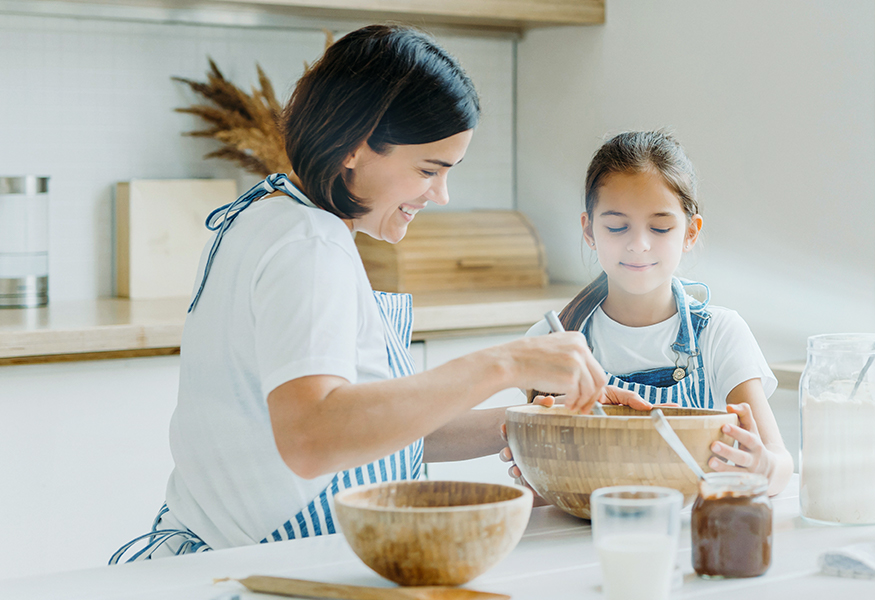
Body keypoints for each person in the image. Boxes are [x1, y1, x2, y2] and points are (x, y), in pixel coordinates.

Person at [111, 24, 644, 563]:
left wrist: (528, 423)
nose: (440, 194)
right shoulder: (310, 245)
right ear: (355, 146)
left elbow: (370, 435)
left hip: (223, 560)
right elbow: (312, 437)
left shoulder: (268, 214)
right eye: (428, 170)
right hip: (270, 567)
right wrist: (507, 364)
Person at [505, 131, 794, 495]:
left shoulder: (720, 334)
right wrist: (536, 475)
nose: (638, 244)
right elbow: (543, 491)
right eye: (616, 226)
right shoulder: (552, 340)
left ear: (690, 233)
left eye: (660, 227)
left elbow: (780, 463)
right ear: (589, 231)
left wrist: (765, 467)